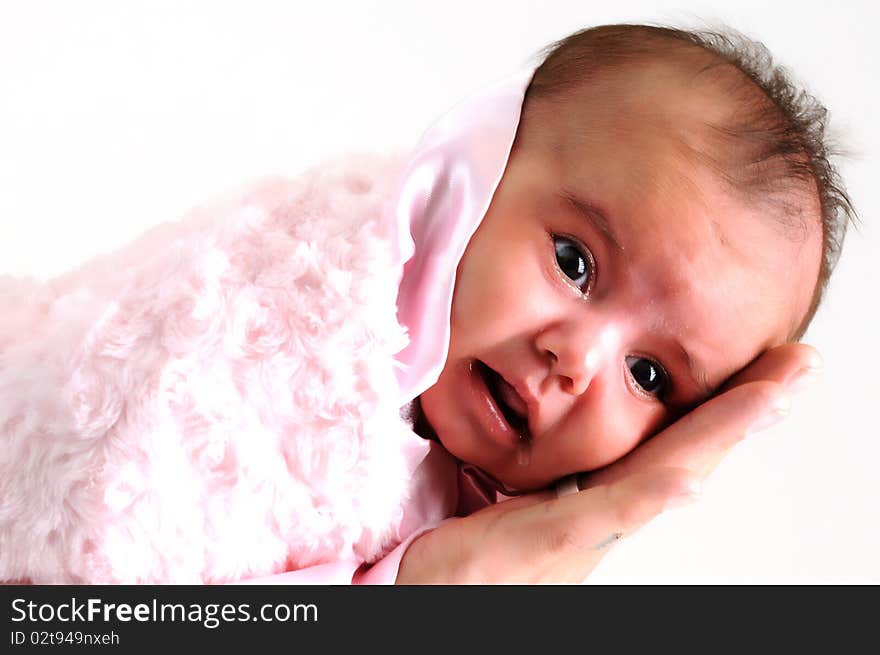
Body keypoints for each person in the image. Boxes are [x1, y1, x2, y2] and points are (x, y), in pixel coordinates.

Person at [0, 24, 853, 584]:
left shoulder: (490, 527)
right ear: (468, 181)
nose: (576, 360)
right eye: (575, 261)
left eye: (650, 372)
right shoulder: (286, 324)